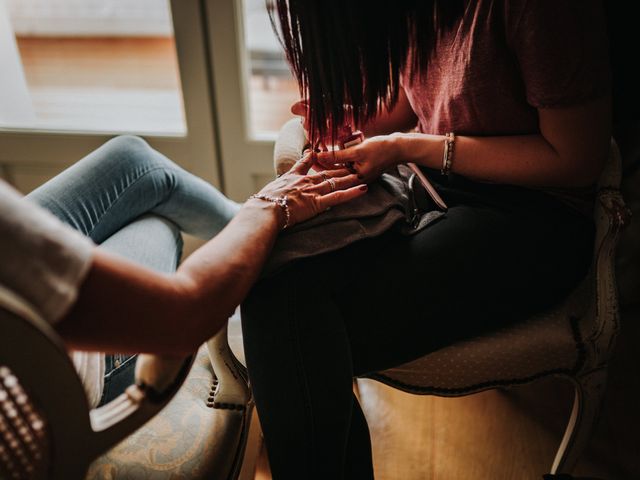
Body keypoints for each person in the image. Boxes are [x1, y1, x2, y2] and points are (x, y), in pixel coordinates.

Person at [240, 0, 612, 478]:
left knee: (297, 332)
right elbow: (416, 93)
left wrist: (406, 146)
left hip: (533, 215)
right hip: (430, 184)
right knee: (275, 286)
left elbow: (575, 157)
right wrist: (359, 127)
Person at [0, 134, 366, 407]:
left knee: (132, 159)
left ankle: (264, 233)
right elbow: (182, 319)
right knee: (156, 226)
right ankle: (275, 236)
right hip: (46, 384)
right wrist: (270, 208)